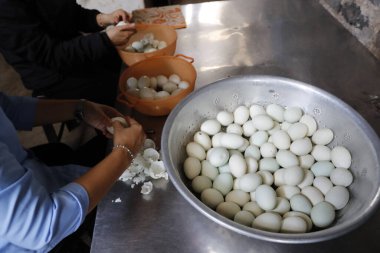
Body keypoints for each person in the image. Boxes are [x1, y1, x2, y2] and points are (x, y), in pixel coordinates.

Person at [0, 92, 146, 252]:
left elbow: (9, 108)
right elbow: (42, 226)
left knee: (71, 151)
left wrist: (80, 107)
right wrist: (124, 154)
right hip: (41, 236)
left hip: (38, 173)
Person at [0, 0, 136, 106]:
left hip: (73, 52)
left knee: (130, 64)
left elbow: (71, 13)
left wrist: (102, 18)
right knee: (122, 94)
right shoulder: (5, 8)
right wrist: (105, 40)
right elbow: (51, 54)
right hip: (53, 75)